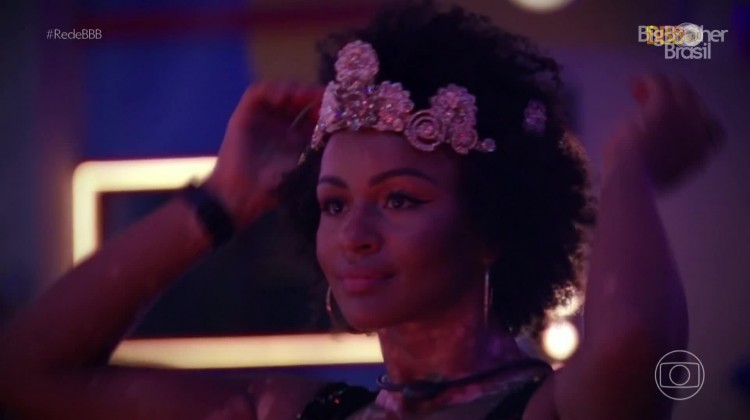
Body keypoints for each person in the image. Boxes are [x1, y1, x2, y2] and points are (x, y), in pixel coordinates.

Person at [0, 1, 723, 419]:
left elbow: (633, 344)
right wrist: (219, 201)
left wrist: (629, 172)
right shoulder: (293, 411)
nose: (354, 235)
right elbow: (26, 372)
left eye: (399, 199)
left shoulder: (553, 408)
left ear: (492, 226)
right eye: (333, 203)